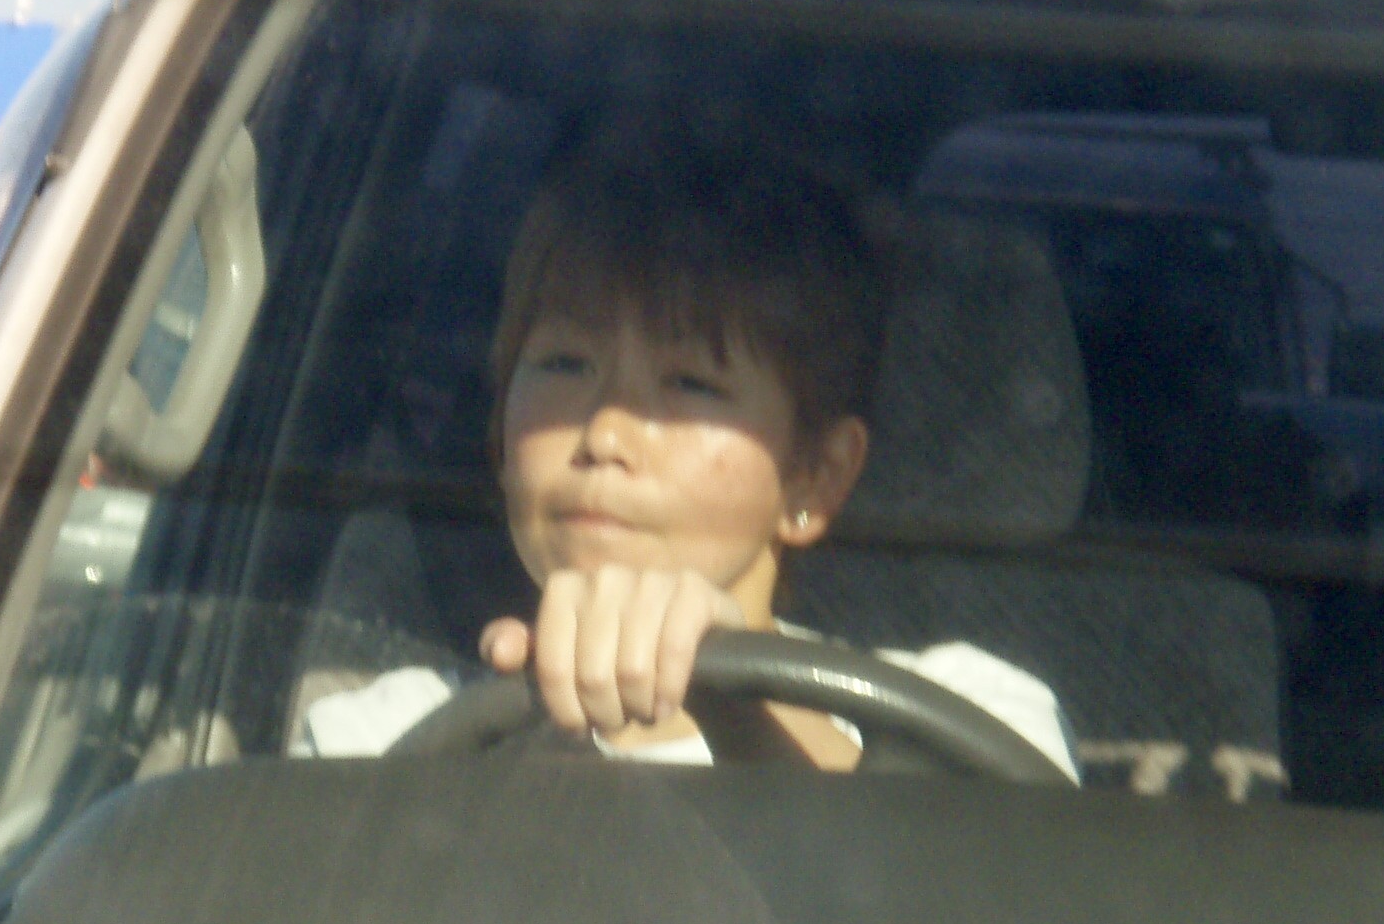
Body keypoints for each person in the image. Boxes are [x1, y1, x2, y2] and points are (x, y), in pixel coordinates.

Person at [298, 141, 1077, 776]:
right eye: (564, 365)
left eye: (692, 385)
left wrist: (732, 700)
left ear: (815, 476)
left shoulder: (971, 716)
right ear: (500, 430)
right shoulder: (380, 737)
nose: (605, 434)